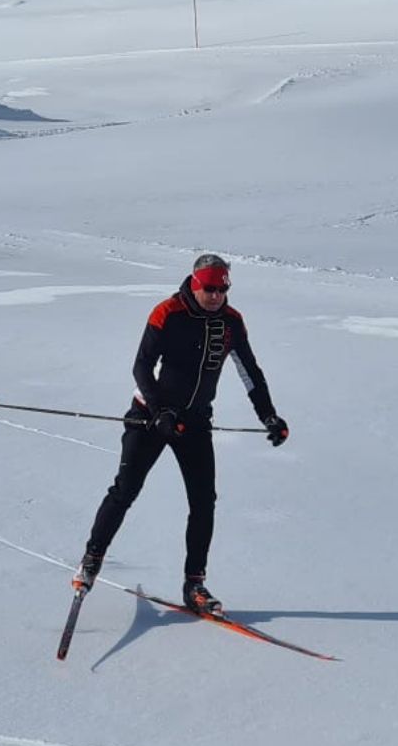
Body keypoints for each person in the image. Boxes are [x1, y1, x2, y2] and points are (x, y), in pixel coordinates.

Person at [71, 254, 288, 615]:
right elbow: (142, 366)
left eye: (222, 288)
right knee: (125, 489)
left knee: (204, 502)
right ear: (195, 282)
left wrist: (269, 416)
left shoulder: (232, 323)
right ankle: (91, 559)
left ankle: (195, 584)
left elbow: (250, 371)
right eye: (210, 288)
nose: (216, 295)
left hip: (195, 423)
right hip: (150, 417)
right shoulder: (168, 312)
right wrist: (159, 411)